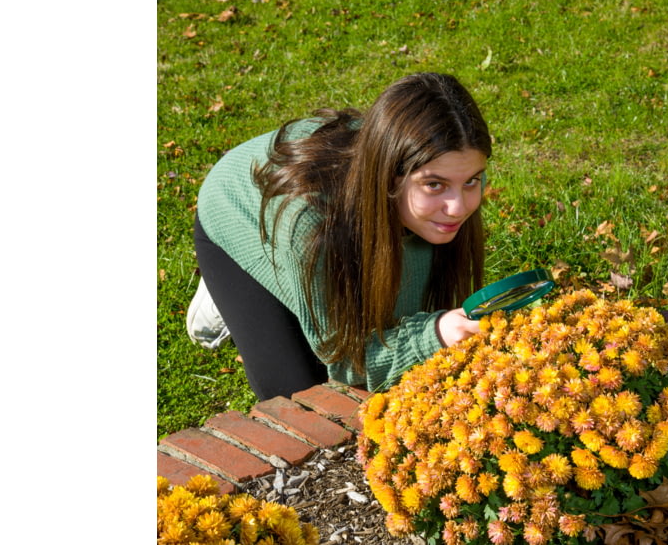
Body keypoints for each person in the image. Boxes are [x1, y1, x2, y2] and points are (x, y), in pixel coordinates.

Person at [187, 72, 491, 400]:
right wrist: (434, 334)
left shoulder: (451, 174)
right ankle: (247, 292)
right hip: (241, 216)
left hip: (343, 228)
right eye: (435, 185)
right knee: (301, 401)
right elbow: (348, 362)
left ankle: (307, 290)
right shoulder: (311, 223)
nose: (458, 208)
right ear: (388, 175)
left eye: (472, 181)